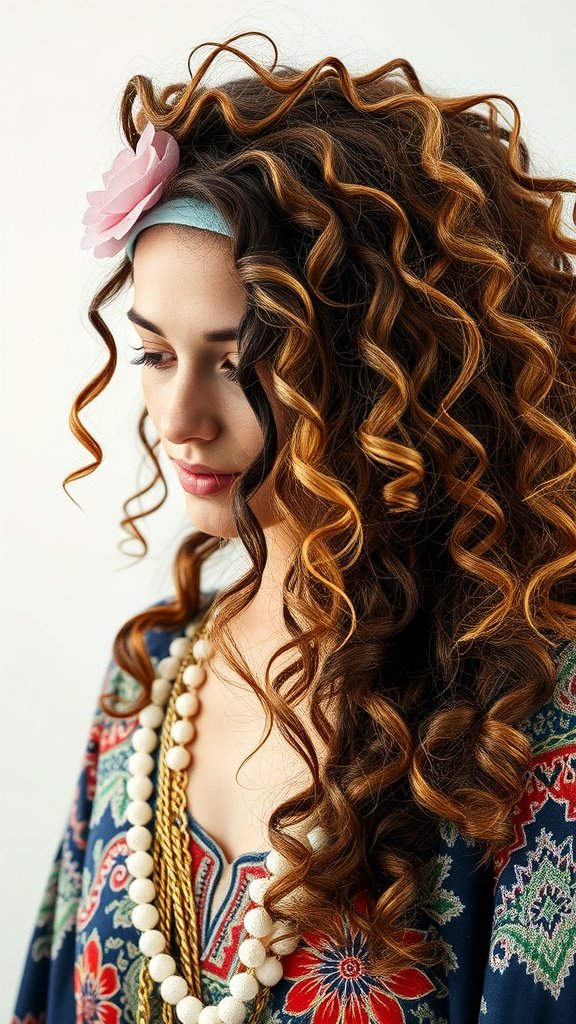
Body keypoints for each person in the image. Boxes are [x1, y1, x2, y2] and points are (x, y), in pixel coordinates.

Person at [11, 28, 576, 1024]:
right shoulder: (147, 687)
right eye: (154, 355)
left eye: (239, 363)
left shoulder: (519, 725)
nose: (179, 417)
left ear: (389, 375)